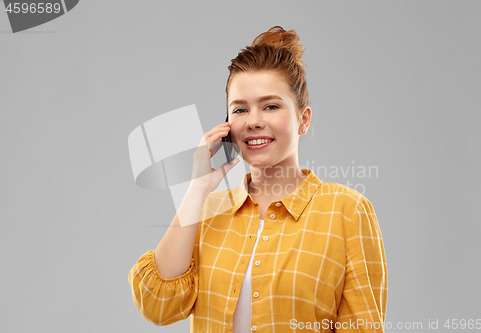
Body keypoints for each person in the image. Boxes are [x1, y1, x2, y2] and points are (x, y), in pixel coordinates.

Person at [128, 26, 387, 332]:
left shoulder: (347, 211)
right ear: (227, 124)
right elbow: (158, 306)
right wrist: (197, 189)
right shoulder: (209, 210)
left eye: (271, 106)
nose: (253, 121)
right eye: (239, 109)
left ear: (303, 120)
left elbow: (363, 327)